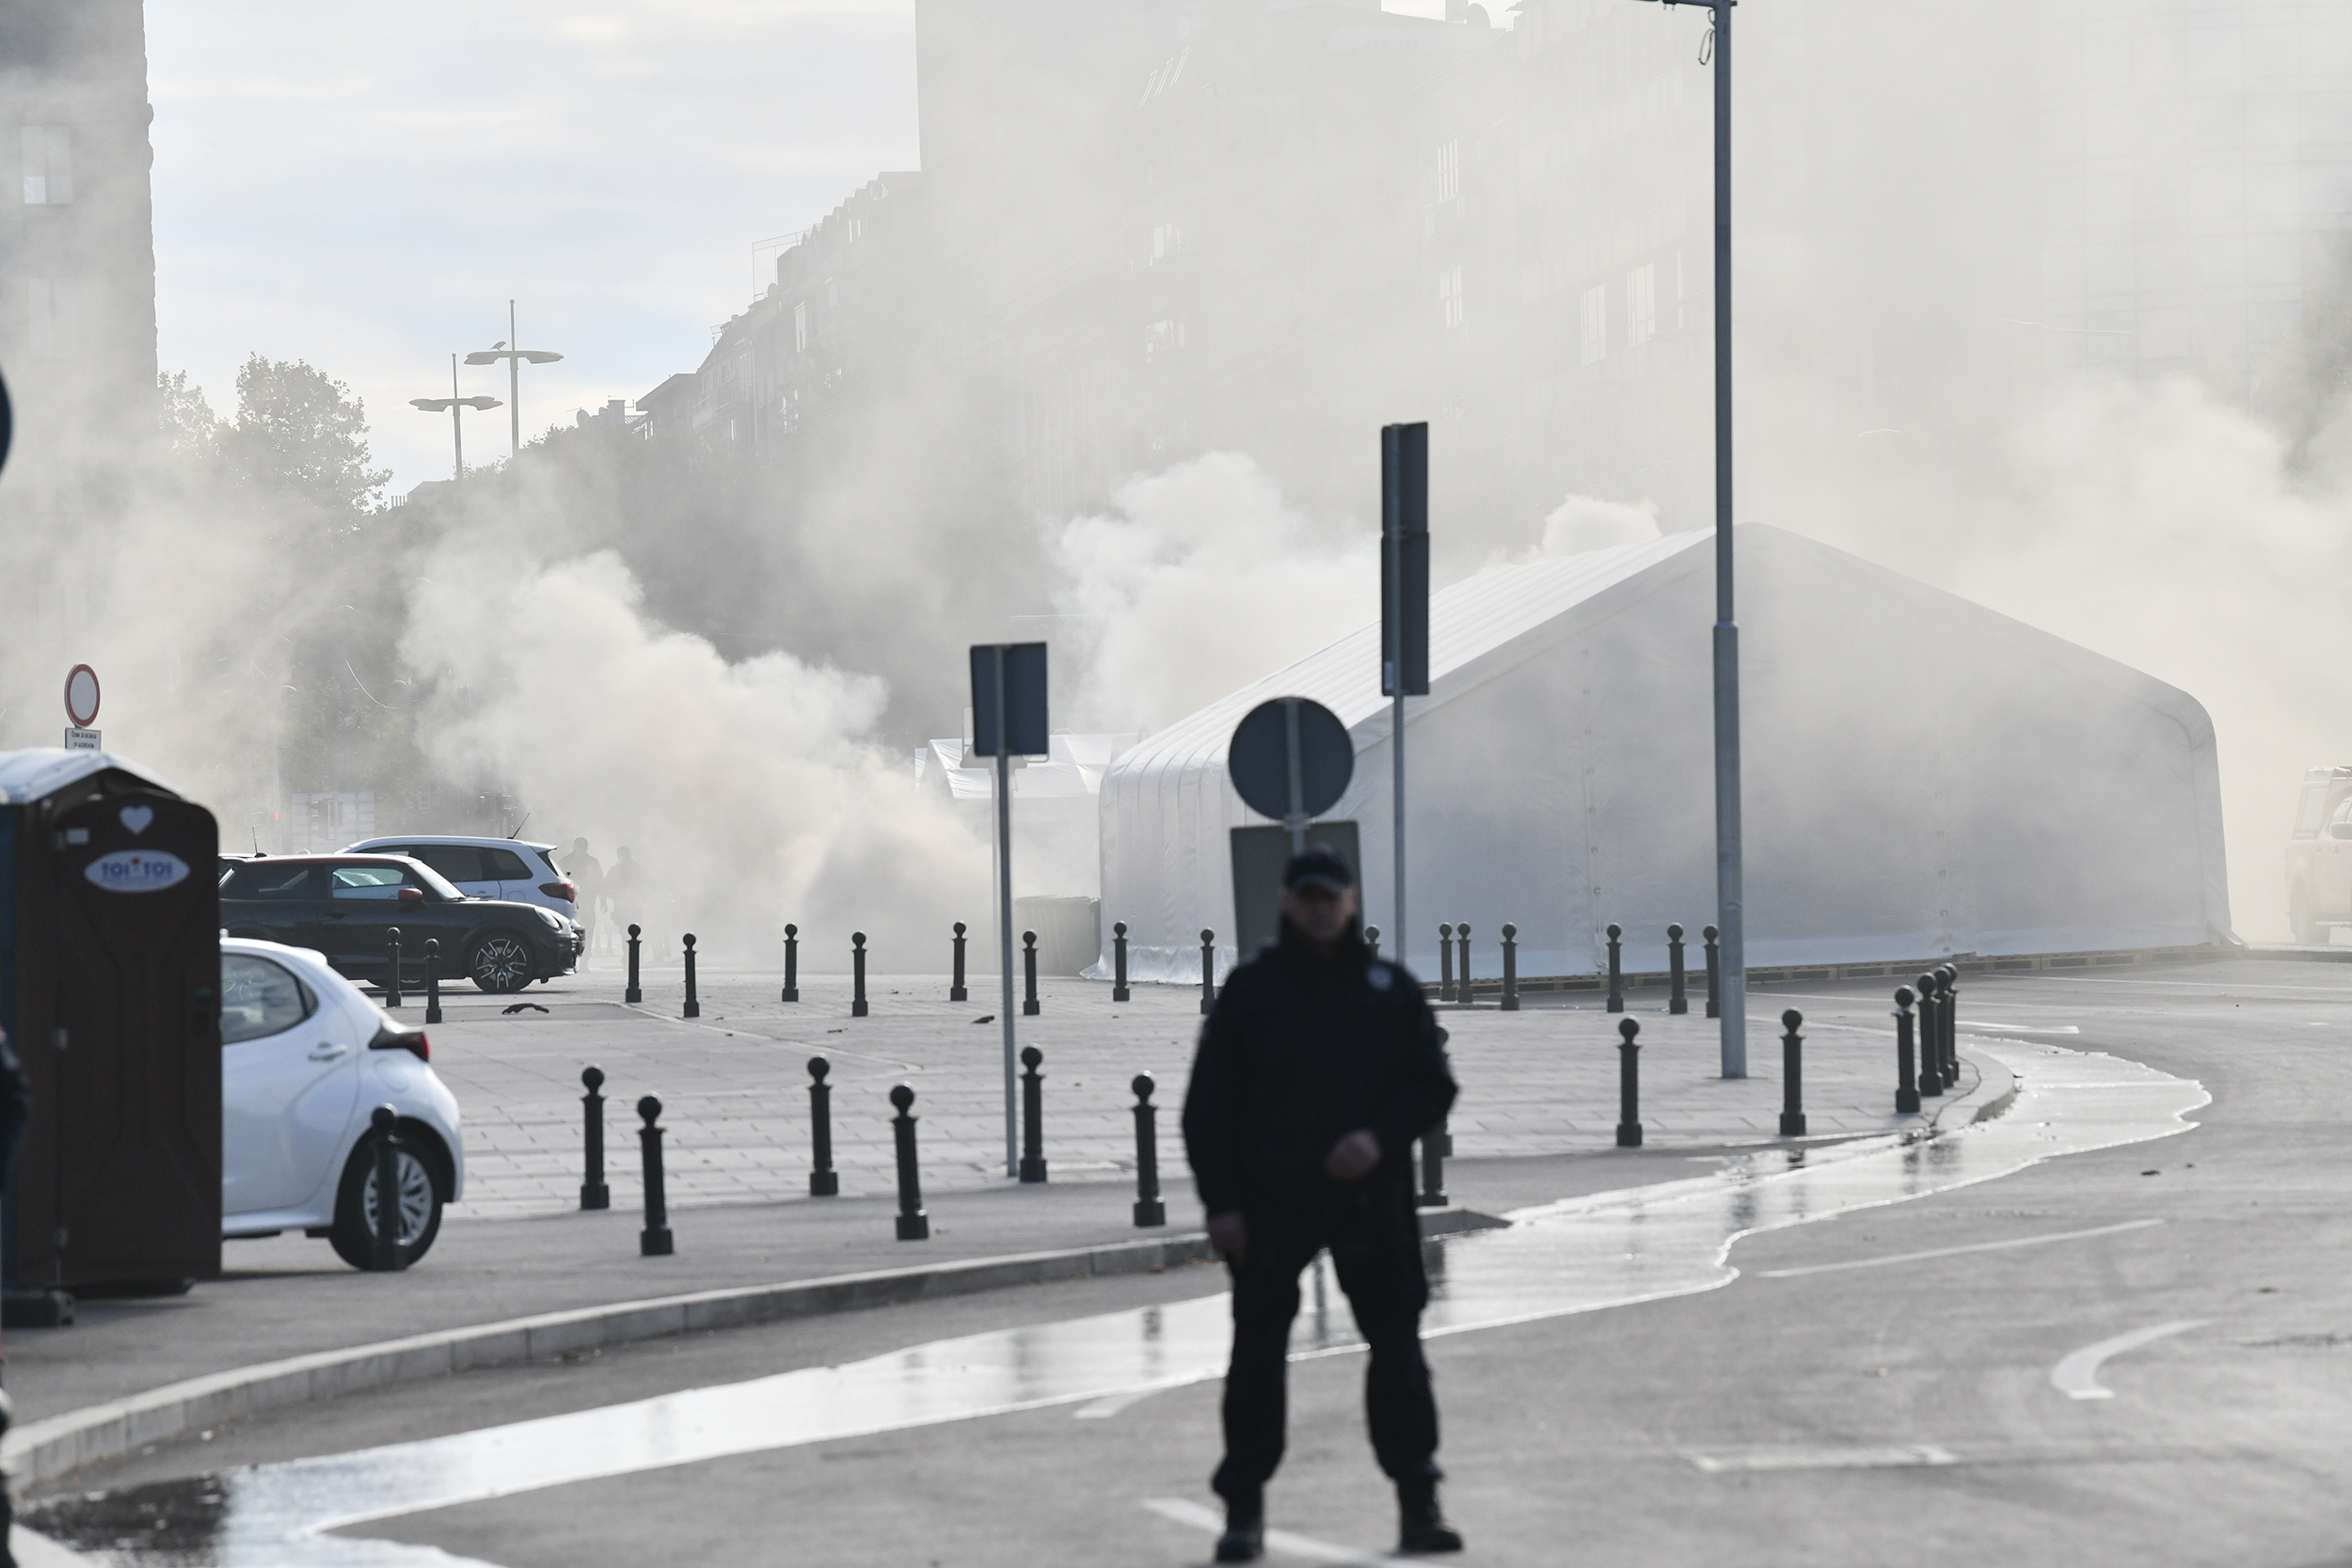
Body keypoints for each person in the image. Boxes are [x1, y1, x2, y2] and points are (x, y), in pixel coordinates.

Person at [1182, 847, 1461, 1561]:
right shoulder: (1253, 991)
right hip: (1272, 1202)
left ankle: (1418, 1501)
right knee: (1257, 1355)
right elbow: (1207, 1108)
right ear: (1287, 901)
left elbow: (1432, 1085)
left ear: (1350, 901)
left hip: (1370, 1198)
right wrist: (1221, 1204)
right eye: (1307, 897)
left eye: (1330, 897)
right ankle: (1243, 1509)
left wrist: (1378, 1137)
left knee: (1397, 1349)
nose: (1319, 909)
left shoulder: (1386, 989)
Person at [565, 838, 605, 958]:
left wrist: (603, 900)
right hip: (570, 904)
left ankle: (585, 959)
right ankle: (573, 958)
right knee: (570, 932)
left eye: (583, 847)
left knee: (587, 932)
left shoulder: (592, 862)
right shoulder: (566, 861)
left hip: (586, 902)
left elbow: (599, 882)